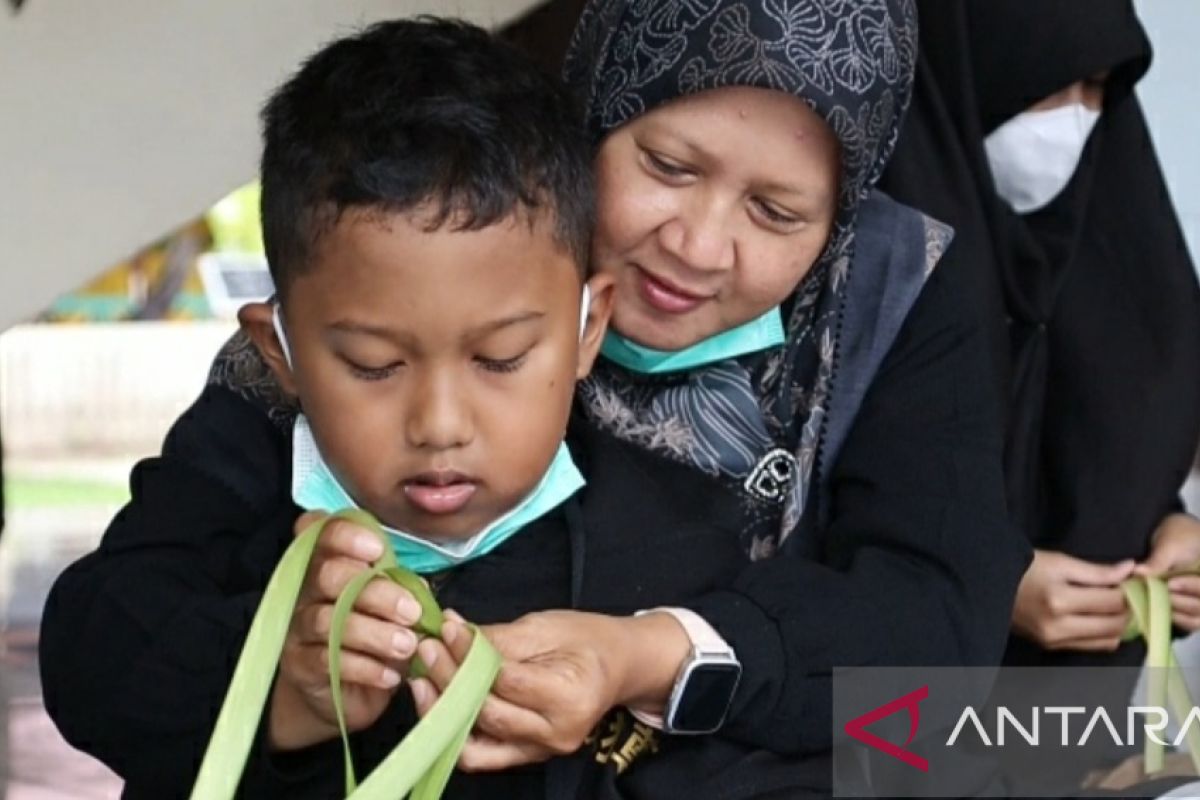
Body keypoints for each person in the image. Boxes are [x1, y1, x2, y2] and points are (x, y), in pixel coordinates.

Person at [44, 2, 1032, 798]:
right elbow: (108, 636)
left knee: (1080, 741)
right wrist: (287, 682)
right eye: (666, 167)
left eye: (777, 211)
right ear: (595, 115)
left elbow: (938, 644)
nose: (696, 246)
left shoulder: (891, 298)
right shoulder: (385, 277)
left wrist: (652, 655)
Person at [879, 0, 1200, 668]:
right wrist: (985, 582)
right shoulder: (870, 250)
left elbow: (1107, 426)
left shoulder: (1098, 224)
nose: (1077, 117)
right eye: (1049, 87)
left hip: (1066, 734)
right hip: (877, 734)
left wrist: (1165, 529)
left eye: (1096, 90)